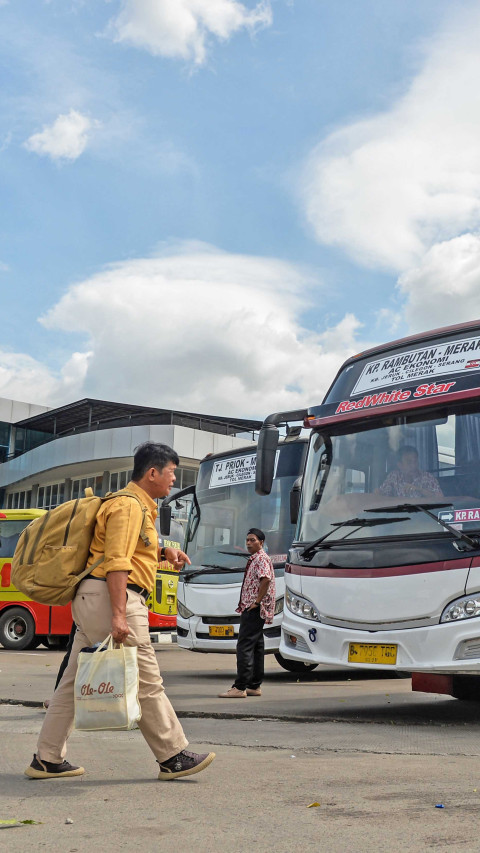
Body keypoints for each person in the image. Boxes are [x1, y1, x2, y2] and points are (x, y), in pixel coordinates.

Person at [25, 442, 215, 781]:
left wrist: (163, 553)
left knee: (71, 685)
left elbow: (132, 548)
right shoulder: (128, 506)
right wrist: (117, 615)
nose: (174, 480)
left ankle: (47, 758)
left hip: (94, 599)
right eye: (172, 473)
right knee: (145, 679)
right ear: (152, 472)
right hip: (115, 598)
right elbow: (116, 562)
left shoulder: (135, 506)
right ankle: (172, 755)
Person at [218, 528, 275, 699]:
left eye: (253, 540)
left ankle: (240, 687)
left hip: (254, 608)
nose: (249, 543)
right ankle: (254, 685)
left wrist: (256, 602)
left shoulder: (261, 559)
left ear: (261, 543)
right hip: (254, 607)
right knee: (257, 646)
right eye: (247, 540)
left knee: (244, 646)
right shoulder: (257, 558)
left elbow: (266, 579)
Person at [377, 446, 443, 500]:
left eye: (415, 461)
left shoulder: (428, 477)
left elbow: (441, 498)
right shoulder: (394, 476)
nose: (413, 465)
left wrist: (420, 490)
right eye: (409, 462)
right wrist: (377, 492)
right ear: (400, 465)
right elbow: (381, 494)